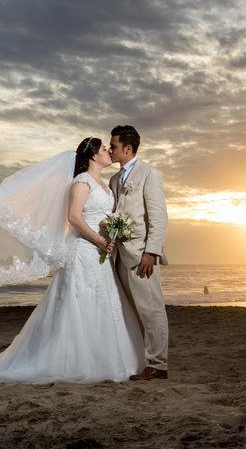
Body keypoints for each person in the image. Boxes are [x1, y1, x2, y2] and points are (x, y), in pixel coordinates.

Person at [0, 137, 144, 383]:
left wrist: (112, 233)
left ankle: (105, 356)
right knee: (80, 299)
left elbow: (102, 216)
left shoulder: (103, 184)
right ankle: (71, 360)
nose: (108, 152)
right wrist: (99, 240)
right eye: (103, 148)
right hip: (84, 249)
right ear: (93, 156)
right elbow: (73, 217)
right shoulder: (81, 182)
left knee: (103, 300)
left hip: (100, 253)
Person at [108, 125, 169, 381]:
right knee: (129, 311)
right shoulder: (113, 180)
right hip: (118, 256)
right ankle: (137, 360)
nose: (109, 150)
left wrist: (151, 252)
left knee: (151, 309)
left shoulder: (149, 174)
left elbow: (158, 216)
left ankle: (158, 365)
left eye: (113, 146)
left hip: (140, 254)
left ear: (128, 148)